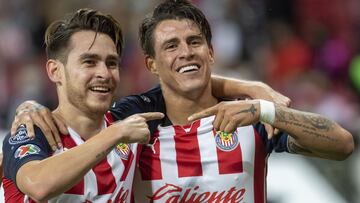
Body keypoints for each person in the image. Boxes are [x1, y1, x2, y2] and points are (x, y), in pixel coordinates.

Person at [11, 0, 352, 202]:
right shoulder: (132, 125)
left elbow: (342, 144)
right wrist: (31, 108)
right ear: (151, 64)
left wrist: (263, 105)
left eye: (194, 42)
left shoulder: (250, 120)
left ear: (211, 51)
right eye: (171, 46)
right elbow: (79, 116)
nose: (186, 52)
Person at [1, 8, 165, 202]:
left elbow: (187, 86)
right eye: (89, 62)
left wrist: (212, 85)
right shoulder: (32, 131)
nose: (104, 73)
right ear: (55, 71)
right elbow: (39, 185)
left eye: (112, 63)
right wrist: (115, 134)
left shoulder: (127, 117)